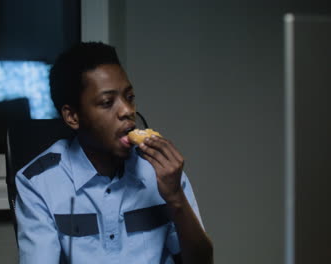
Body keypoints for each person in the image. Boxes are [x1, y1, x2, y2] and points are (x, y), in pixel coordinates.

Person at [14, 42, 213, 263]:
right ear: (73, 117)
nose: (127, 111)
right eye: (107, 102)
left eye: (129, 97)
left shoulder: (162, 171)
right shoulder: (37, 183)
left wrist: (175, 198)